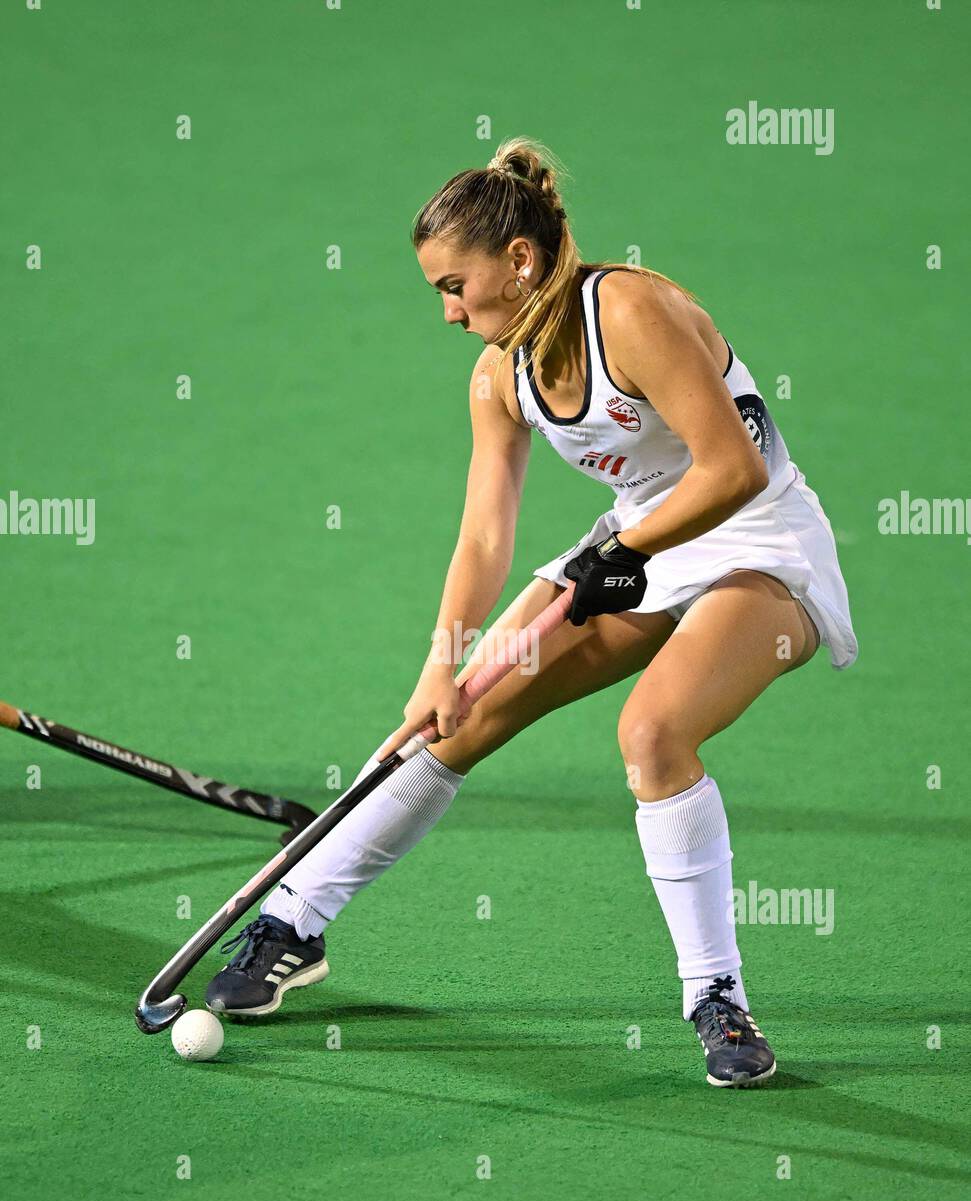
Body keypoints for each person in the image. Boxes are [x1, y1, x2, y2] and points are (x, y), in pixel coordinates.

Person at [205, 137, 857, 1088]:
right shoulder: (497, 378)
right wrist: (443, 661)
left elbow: (732, 470)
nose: (447, 312)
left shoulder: (629, 311)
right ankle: (292, 923)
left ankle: (715, 998)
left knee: (653, 732)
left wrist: (621, 553)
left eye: (455, 286)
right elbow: (482, 541)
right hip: (632, 543)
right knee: (454, 714)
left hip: (756, 542)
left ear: (518, 260)